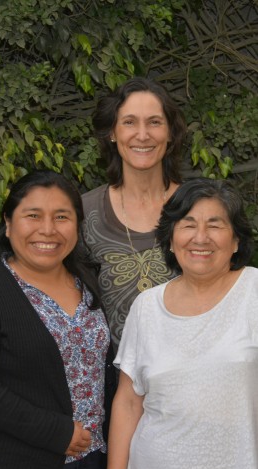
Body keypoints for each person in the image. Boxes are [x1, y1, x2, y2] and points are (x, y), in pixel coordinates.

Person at [0, 170, 115, 469]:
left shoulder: (87, 282)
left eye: (62, 217)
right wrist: (55, 431)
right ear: (8, 224)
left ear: (77, 226)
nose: (48, 229)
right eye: (33, 216)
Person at [105, 177, 258, 469]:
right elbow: (129, 403)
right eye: (188, 225)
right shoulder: (146, 307)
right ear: (171, 240)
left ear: (236, 241)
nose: (200, 238)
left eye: (215, 225)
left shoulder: (254, 292)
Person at [82, 77, 187, 353]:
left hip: (196, 377)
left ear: (170, 134)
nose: (142, 135)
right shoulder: (83, 213)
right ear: (112, 133)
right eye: (129, 122)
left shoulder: (200, 207)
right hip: (118, 385)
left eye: (154, 122)